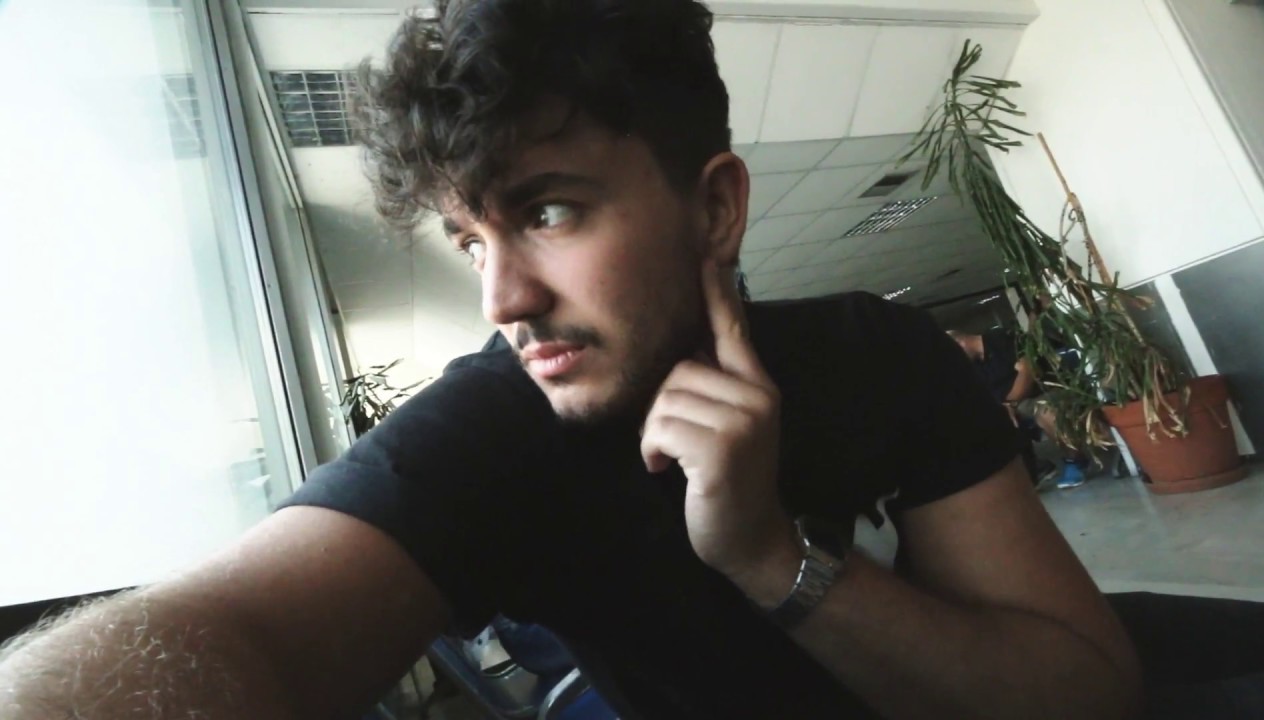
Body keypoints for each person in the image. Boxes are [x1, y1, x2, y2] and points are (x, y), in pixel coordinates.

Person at [0, 1, 1141, 718]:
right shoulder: (496, 428)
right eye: (469, 240)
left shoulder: (876, 352)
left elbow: (1085, 691)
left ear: (714, 207)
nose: (501, 299)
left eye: (547, 212)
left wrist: (767, 557)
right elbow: (232, 631)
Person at [950, 328, 1088, 490]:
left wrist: (1009, 403)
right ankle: (1035, 467)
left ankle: (1075, 460)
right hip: (1014, 405)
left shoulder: (1005, 339)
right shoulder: (974, 366)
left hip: (1044, 392)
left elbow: (1028, 372)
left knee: (1046, 411)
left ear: (960, 343)